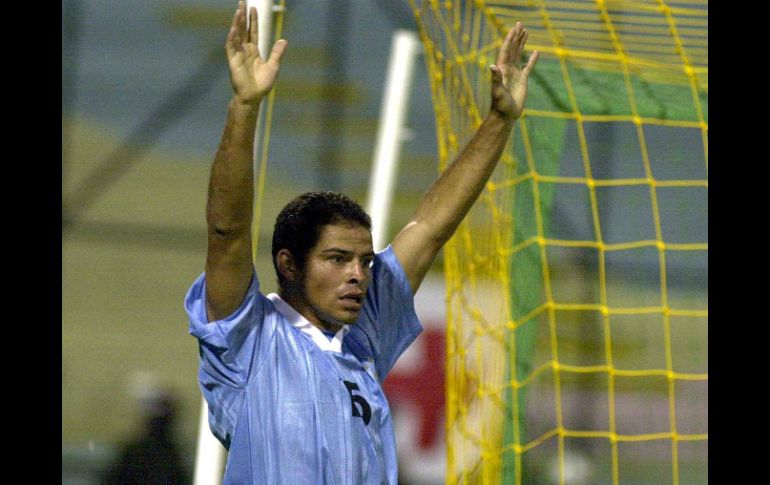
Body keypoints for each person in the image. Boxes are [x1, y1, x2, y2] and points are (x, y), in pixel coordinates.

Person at [184, 1, 539, 483]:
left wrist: (500, 119)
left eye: (365, 261)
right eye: (337, 259)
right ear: (289, 264)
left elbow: (429, 229)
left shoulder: (364, 337)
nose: (358, 274)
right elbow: (226, 233)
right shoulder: (247, 339)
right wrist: (245, 107)